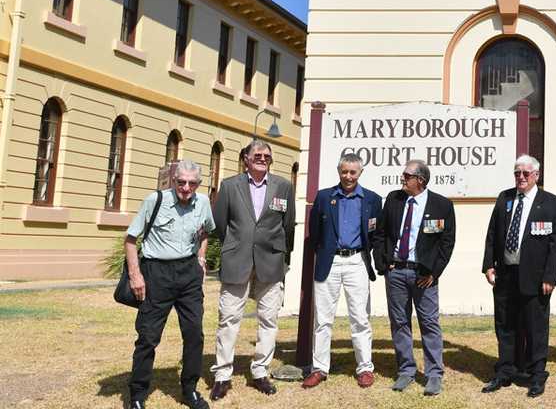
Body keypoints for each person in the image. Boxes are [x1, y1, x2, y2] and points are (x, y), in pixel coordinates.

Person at [124, 160, 215, 409]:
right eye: (181, 182)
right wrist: (136, 275)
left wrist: (201, 258)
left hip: (188, 274)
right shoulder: (155, 201)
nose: (185, 187)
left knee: (194, 332)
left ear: (198, 184)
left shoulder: (203, 203)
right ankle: (137, 395)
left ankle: (190, 390)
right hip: (157, 273)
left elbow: (206, 231)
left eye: (191, 183)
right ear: (174, 180)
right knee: (148, 336)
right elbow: (131, 240)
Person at [210, 139, 295, 401]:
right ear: (246, 158)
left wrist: (283, 257)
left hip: (271, 262)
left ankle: (260, 372)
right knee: (228, 319)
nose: (262, 158)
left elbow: (288, 225)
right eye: (257, 154)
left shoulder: (283, 186)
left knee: (268, 320)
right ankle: (222, 375)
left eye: (267, 156)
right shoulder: (229, 186)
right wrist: (236, 247)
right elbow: (220, 225)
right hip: (237, 261)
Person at [481, 155, 556, 398]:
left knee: (535, 327)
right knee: (506, 324)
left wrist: (550, 277)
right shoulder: (505, 198)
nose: (520, 177)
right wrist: (488, 264)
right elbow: (492, 233)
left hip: (536, 276)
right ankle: (506, 369)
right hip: (506, 274)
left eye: (525, 173)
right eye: (517, 173)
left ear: (536, 176)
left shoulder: (551, 204)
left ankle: (536, 373)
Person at [372, 159, 456, 396]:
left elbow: (446, 243)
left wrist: (433, 272)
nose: (402, 178)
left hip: (424, 275)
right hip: (396, 272)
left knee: (429, 323)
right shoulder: (394, 199)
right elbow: (380, 233)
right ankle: (406, 370)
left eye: (407, 175)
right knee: (399, 322)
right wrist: (383, 263)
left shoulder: (441, 205)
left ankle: (433, 375)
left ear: (420, 180)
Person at [302, 153, 383, 389]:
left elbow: (376, 234)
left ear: (360, 173)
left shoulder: (372, 199)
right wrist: (326, 251)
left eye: (353, 172)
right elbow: (314, 231)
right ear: (339, 171)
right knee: (323, 319)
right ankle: (319, 368)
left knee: (360, 318)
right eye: (344, 171)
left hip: (357, 261)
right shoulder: (325, 197)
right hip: (330, 261)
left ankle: (365, 368)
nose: (348, 176)